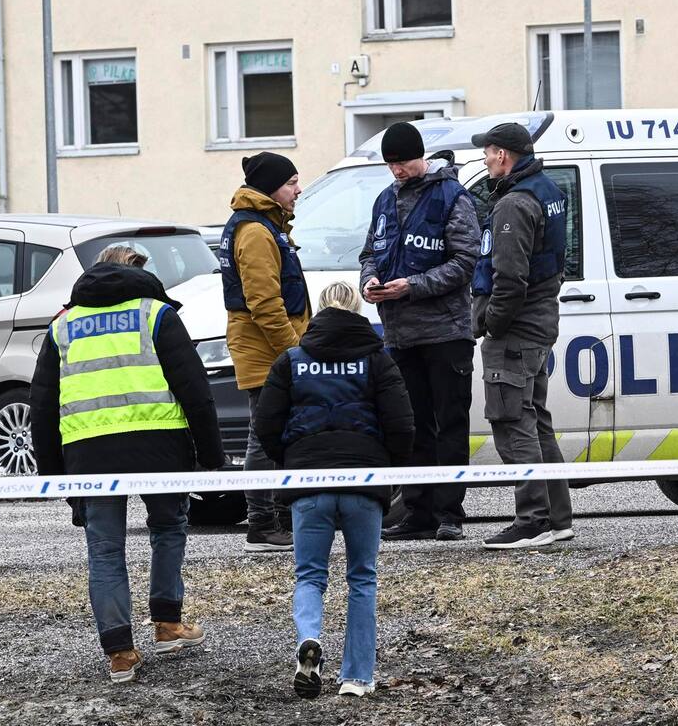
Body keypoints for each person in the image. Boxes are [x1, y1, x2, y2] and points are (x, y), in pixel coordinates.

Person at [30, 246, 226, 684]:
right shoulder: (156, 314)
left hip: (88, 452)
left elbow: (41, 406)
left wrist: (54, 476)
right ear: (139, 274)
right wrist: (213, 459)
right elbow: (195, 390)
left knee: (104, 551)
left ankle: (120, 653)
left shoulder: (63, 325)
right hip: (159, 447)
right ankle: (168, 623)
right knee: (169, 528)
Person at [251, 281, 415, 699]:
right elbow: (401, 424)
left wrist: (291, 460)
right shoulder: (377, 359)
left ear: (318, 312)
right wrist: (387, 468)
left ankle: (310, 641)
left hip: (309, 483)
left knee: (310, 576)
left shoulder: (291, 361)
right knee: (362, 578)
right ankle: (356, 677)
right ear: (358, 311)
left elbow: (266, 425)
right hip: (364, 481)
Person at [358, 121, 479, 541]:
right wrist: (370, 283)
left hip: (447, 333)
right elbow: (370, 254)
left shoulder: (453, 197)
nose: (397, 171)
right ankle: (418, 511)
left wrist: (413, 286)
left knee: (449, 424)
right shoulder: (384, 200)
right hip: (400, 336)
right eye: (391, 164)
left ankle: (450, 514)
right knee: (411, 427)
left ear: (421, 157)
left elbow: (466, 262)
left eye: (403, 163)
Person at [469, 123, 575, 550]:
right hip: (538, 323)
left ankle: (532, 520)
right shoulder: (547, 190)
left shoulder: (513, 203)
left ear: (504, 156)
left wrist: (492, 323)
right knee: (535, 420)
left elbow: (509, 278)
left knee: (513, 422)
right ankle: (557, 517)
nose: (484, 158)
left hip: (515, 329)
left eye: (488, 152)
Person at [220, 152, 311, 552]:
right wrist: (294, 352)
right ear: (271, 186)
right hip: (267, 350)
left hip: (268, 347)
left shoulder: (264, 225)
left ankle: (279, 518)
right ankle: (261, 523)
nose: (298, 189)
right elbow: (265, 304)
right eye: (292, 182)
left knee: (279, 434)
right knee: (263, 436)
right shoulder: (256, 231)